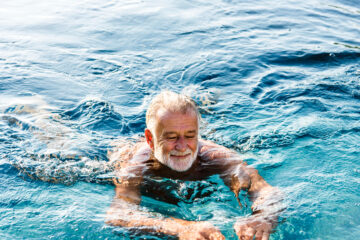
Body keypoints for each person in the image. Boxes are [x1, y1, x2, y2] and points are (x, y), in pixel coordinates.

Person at [106, 91, 283, 240]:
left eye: (190, 135)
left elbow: (266, 191)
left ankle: (207, 101)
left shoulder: (214, 156)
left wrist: (263, 217)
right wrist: (180, 228)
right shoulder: (136, 165)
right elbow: (118, 214)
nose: (182, 147)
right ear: (150, 139)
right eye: (172, 137)